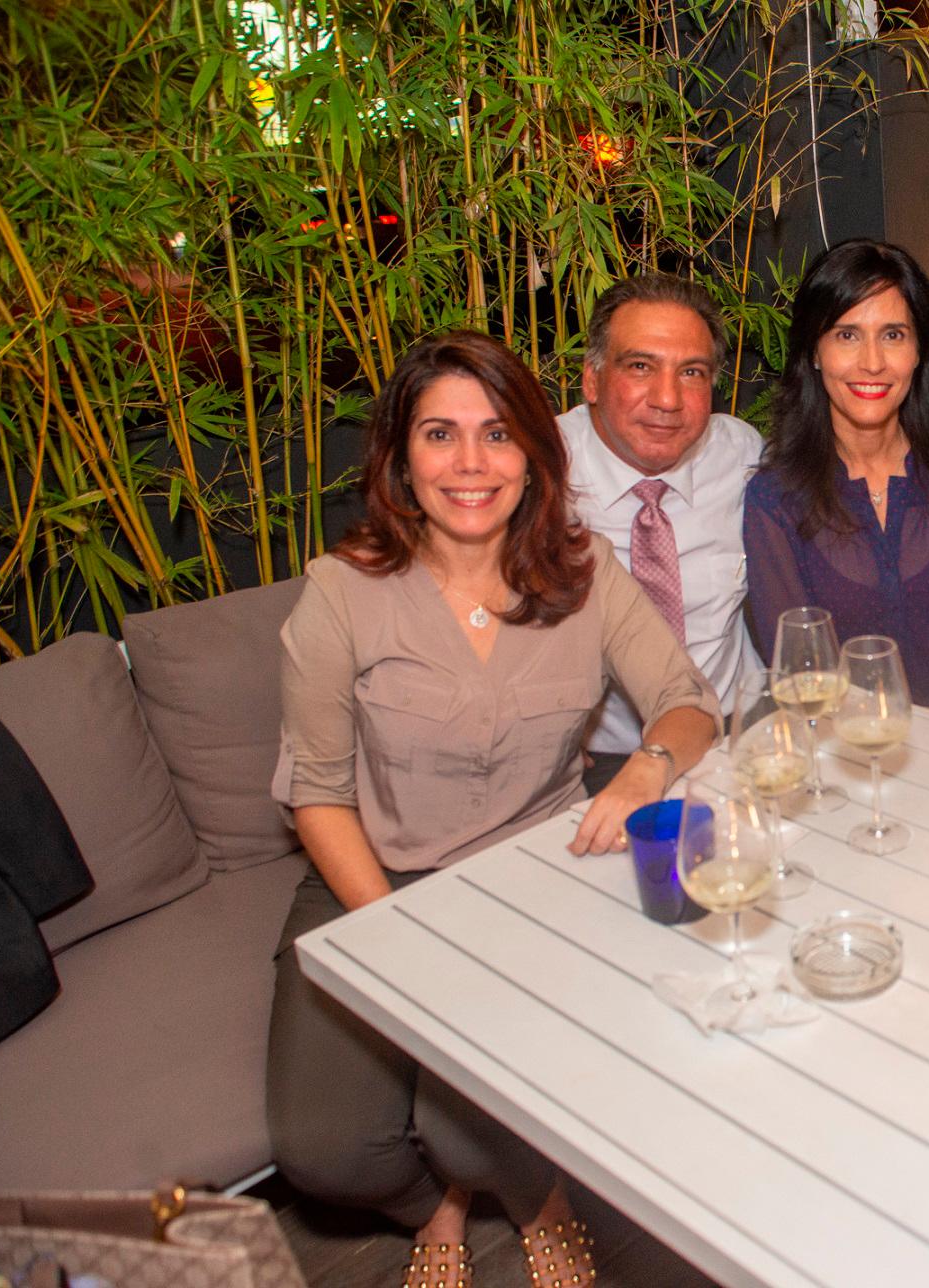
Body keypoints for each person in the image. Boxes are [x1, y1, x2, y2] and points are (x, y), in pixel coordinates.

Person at [267, 331, 719, 1287]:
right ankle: (439, 1209)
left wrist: (642, 772)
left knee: (469, 1134)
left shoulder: (585, 570)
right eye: (441, 434)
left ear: (533, 456)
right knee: (326, 1151)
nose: (471, 464)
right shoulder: (341, 594)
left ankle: (525, 1195)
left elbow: (687, 702)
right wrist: (399, 933)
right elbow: (317, 790)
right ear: (400, 457)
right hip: (375, 881)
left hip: (532, 882)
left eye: (498, 435)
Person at [741, 240, 929, 724]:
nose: (872, 362)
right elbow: (798, 663)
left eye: (893, 335)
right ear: (815, 352)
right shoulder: (775, 497)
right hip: (841, 750)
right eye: (846, 335)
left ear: (918, 351)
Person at [557, 274, 764, 790]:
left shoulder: (741, 456)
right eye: (641, 367)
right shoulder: (536, 475)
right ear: (591, 379)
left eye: (691, 372)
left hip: (739, 739)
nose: (668, 399)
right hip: (601, 764)